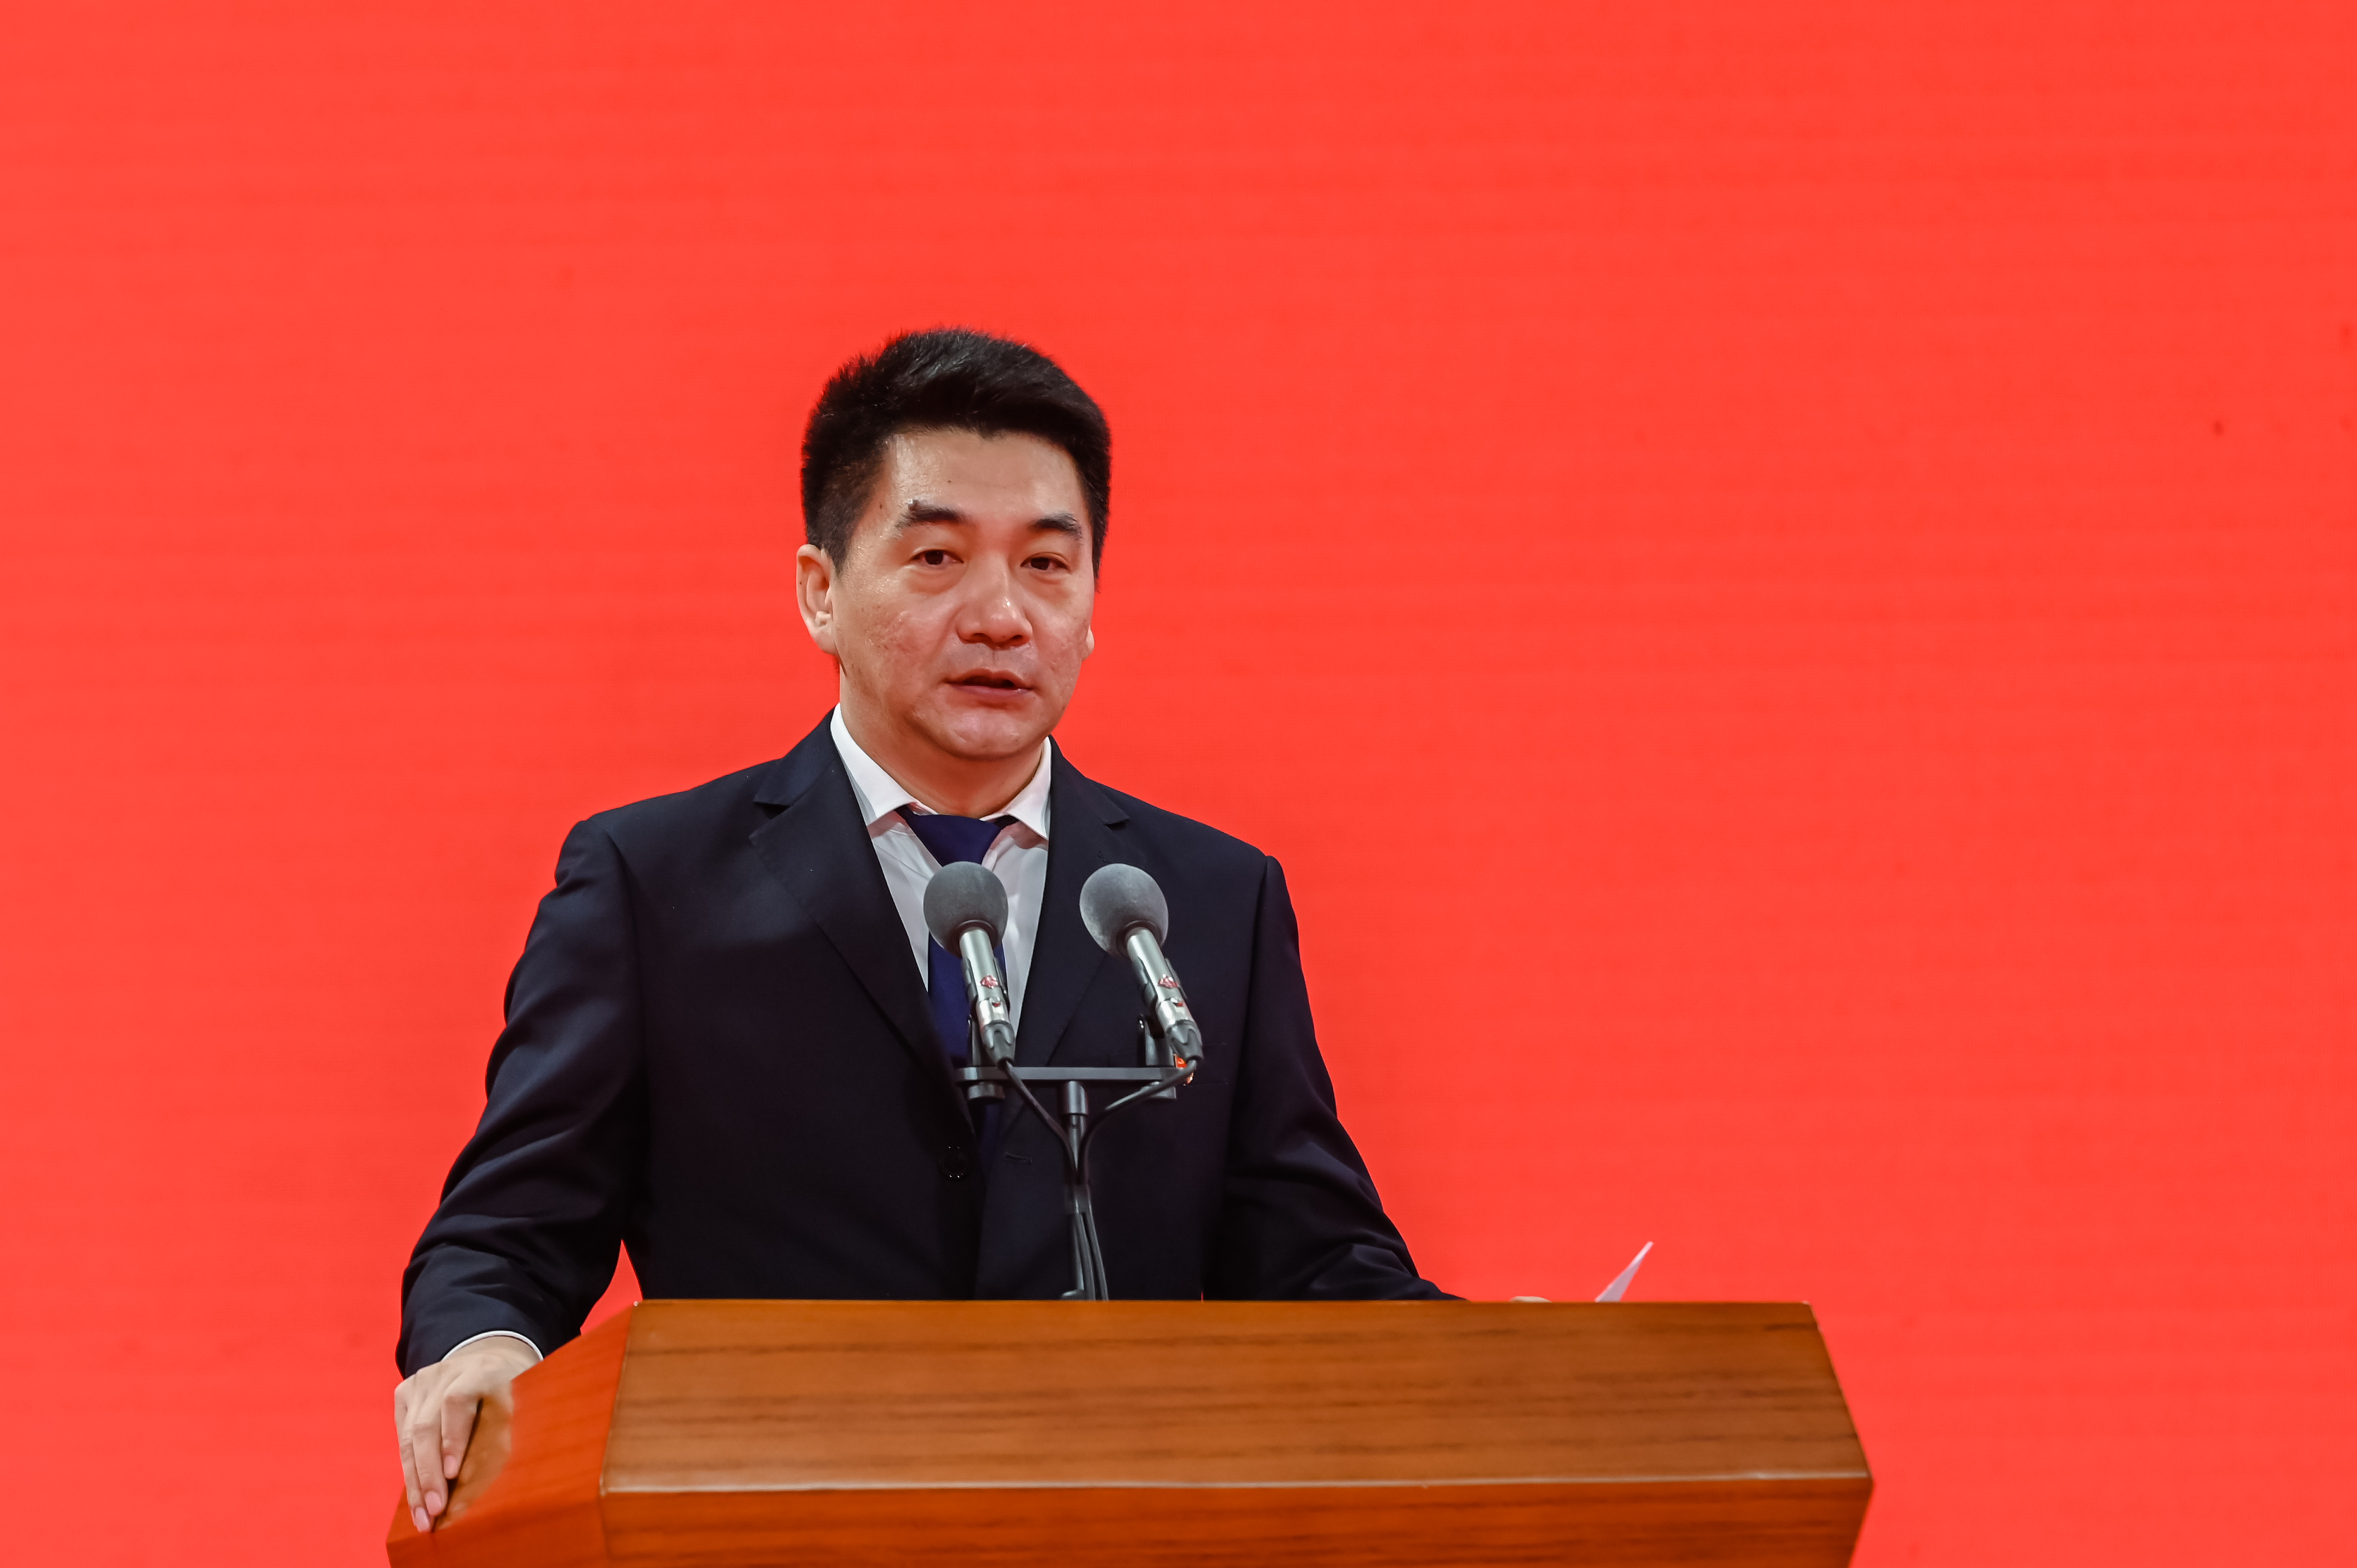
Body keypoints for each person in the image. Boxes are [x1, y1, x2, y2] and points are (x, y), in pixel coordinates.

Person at [391, 329, 1444, 1533]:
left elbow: (1312, 1259)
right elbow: (508, 1232)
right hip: (770, 1526)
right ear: (821, 591)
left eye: (1047, 565)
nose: (1000, 615)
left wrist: (1513, 1355)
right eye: (938, 557)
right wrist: (484, 1345)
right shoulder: (653, 883)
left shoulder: (1203, 898)